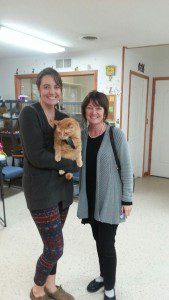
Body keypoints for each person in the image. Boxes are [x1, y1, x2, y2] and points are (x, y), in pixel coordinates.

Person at [19, 67, 77, 300]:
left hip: (62, 189)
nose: (51, 91)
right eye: (46, 86)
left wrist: (74, 158)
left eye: (55, 86)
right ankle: (37, 289)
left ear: (60, 90)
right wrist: (70, 163)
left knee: (54, 242)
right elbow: (36, 155)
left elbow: (74, 144)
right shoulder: (29, 114)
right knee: (55, 247)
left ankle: (51, 287)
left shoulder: (62, 117)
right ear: (38, 89)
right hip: (40, 191)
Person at [77, 91, 133, 300]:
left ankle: (109, 287)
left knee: (107, 245)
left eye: (98, 108)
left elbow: (127, 168)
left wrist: (127, 200)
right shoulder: (82, 135)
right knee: (98, 240)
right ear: (85, 110)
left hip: (110, 200)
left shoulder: (115, 135)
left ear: (104, 111)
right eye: (89, 108)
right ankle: (103, 275)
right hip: (90, 200)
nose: (93, 112)